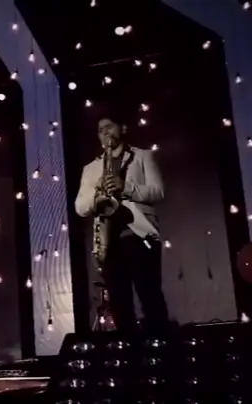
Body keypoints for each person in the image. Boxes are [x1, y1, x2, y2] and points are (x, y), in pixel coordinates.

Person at [74, 113, 168, 335]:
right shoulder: (91, 169)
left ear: (123, 128)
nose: (104, 132)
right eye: (100, 130)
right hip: (109, 242)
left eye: (109, 126)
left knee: (150, 296)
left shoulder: (143, 156)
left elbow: (158, 191)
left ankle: (160, 343)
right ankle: (129, 345)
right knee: (119, 301)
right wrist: (97, 194)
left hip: (139, 235)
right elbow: (79, 207)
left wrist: (125, 187)